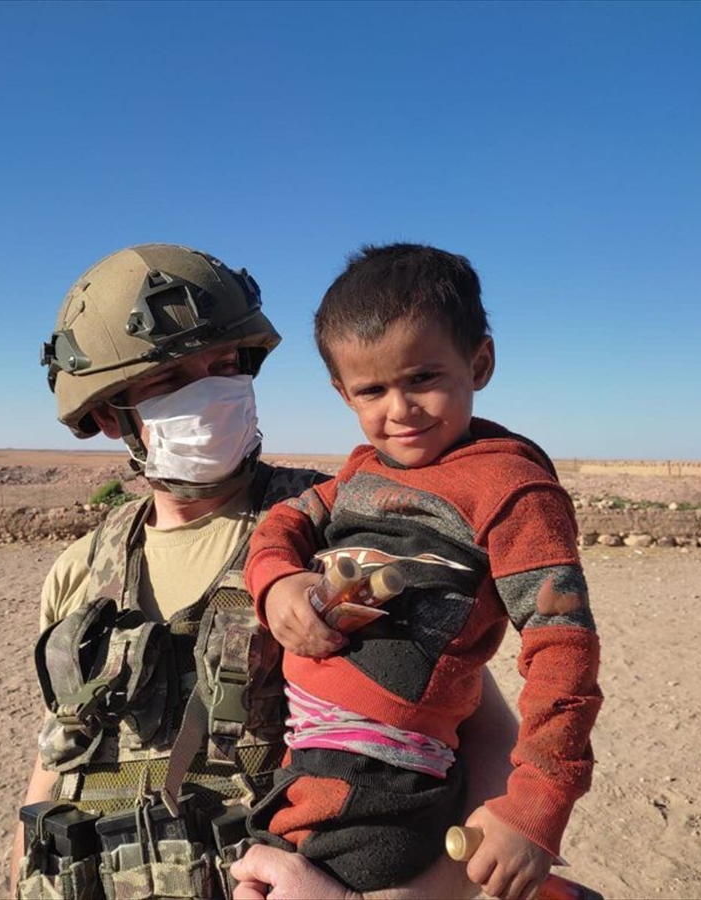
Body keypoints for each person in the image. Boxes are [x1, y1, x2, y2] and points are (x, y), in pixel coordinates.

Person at [9, 242, 519, 900]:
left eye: (224, 365)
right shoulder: (79, 570)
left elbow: (483, 737)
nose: (211, 392)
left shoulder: (340, 530)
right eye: (170, 380)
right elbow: (58, 757)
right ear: (111, 413)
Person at [242, 243, 604, 900]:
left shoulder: (512, 491)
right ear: (342, 392)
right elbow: (284, 521)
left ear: (479, 363)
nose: (400, 409)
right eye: (372, 390)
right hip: (312, 748)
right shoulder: (361, 473)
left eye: (423, 378)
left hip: (388, 769)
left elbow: (564, 656)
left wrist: (535, 807)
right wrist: (277, 582)